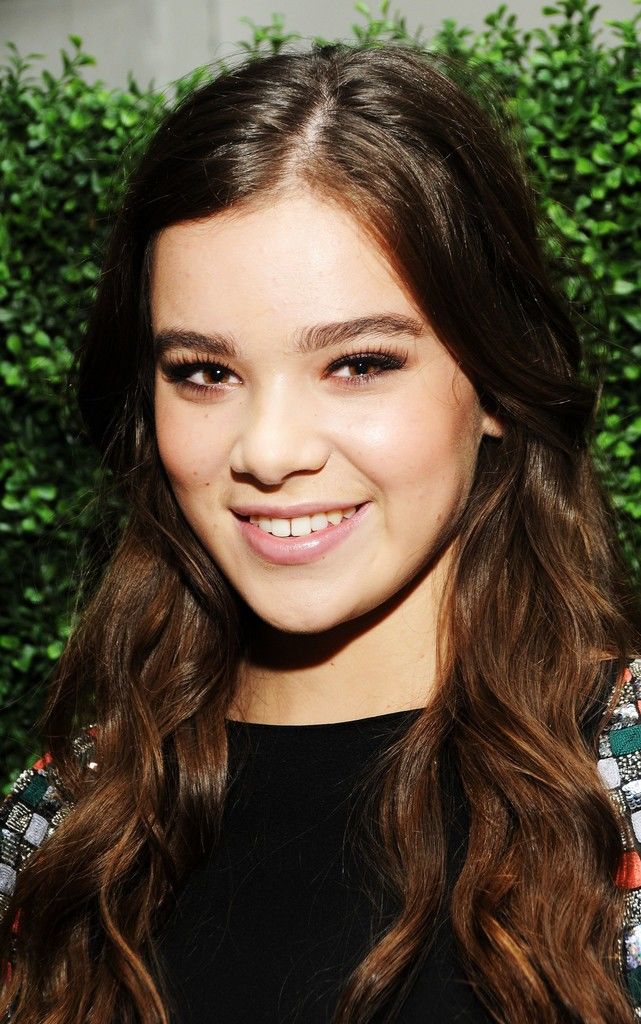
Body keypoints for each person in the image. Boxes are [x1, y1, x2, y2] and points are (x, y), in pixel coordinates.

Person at [1, 39, 640, 1024]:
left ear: (492, 382)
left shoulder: (623, 787)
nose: (268, 450)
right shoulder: (62, 820)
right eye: (204, 372)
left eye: (358, 363)